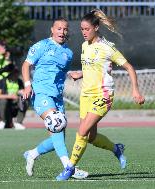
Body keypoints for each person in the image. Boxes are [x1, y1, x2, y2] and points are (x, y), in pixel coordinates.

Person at [56, 9, 145, 181]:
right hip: (86, 95)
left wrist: (135, 90)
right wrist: (80, 74)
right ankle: (116, 149)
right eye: (82, 29)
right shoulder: (84, 46)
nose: (84, 32)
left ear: (96, 27)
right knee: (90, 137)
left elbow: (129, 67)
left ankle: (69, 169)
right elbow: (94, 68)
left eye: (87, 29)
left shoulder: (107, 48)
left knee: (81, 132)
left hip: (103, 95)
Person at [21, 17, 88, 179]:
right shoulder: (42, 46)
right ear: (52, 29)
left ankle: (32, 153)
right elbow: (26, 65)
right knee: (57, 124)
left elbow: (58, 72)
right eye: (59, 28)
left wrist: (71, 74)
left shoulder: (68, 53)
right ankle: (69, 168)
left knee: (58, 138)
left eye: (65, 29)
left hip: (57, 97)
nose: (62, 32)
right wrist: (27, 85)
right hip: (41, 93)